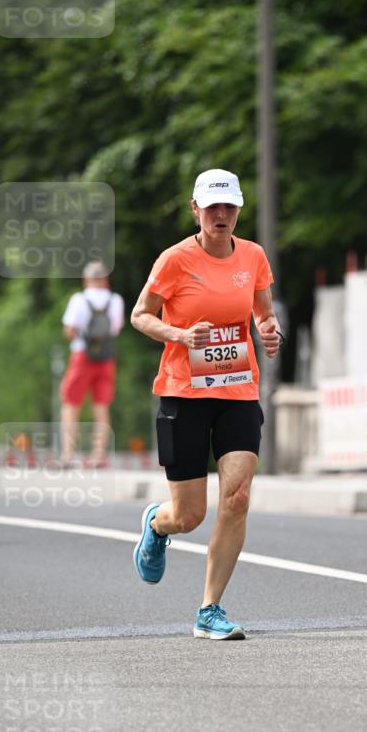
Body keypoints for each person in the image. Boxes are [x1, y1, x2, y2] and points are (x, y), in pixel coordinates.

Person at [130, 168, 283, 641]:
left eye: (229, 207)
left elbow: (264, 311)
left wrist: (269, 330)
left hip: (237, 389)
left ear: (239, 210)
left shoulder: (253, 256)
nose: (221, 215)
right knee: (190, 515)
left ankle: (209, 610)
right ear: (196, 210)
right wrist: (179, 333)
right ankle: (158, 526)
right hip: (184, 392)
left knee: (236, 497)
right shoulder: (174, 260)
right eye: (212, 207)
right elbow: (140, 315)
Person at [60, 261, 124, 467]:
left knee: (71, 404)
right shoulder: (115, 300)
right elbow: (116, 328)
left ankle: (68, 454)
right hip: (106, 357)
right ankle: (98, 456)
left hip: (82, 356)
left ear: (86, 279)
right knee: (101, 406)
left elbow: (70, 330)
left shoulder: (79, 299)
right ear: (105, 280)